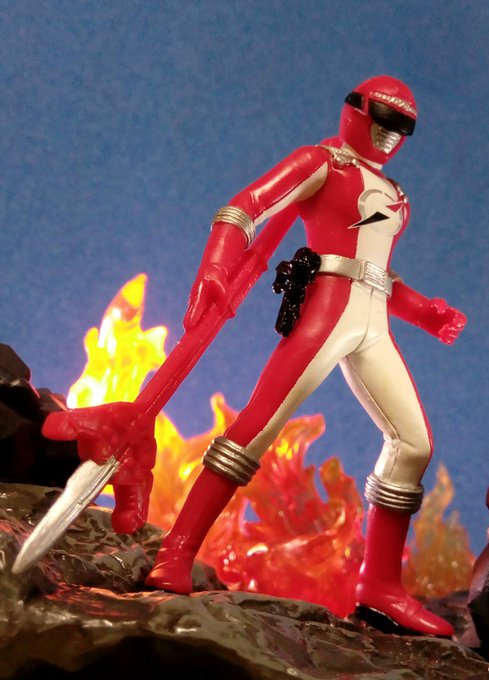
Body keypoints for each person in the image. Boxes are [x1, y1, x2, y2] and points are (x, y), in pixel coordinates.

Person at [46, 75, 467, 637]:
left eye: (402, 128)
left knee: (413, 445)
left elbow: (380, 275)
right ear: (357, 111)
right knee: (254, 430)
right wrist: (217, 264)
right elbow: (245, 207)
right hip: (325, 312)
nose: (390, 135)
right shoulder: (322, 162)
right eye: (383, 120)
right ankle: (176, 551)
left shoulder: (396, 196)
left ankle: (380, 587)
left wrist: (426, 312)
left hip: (373, 322)